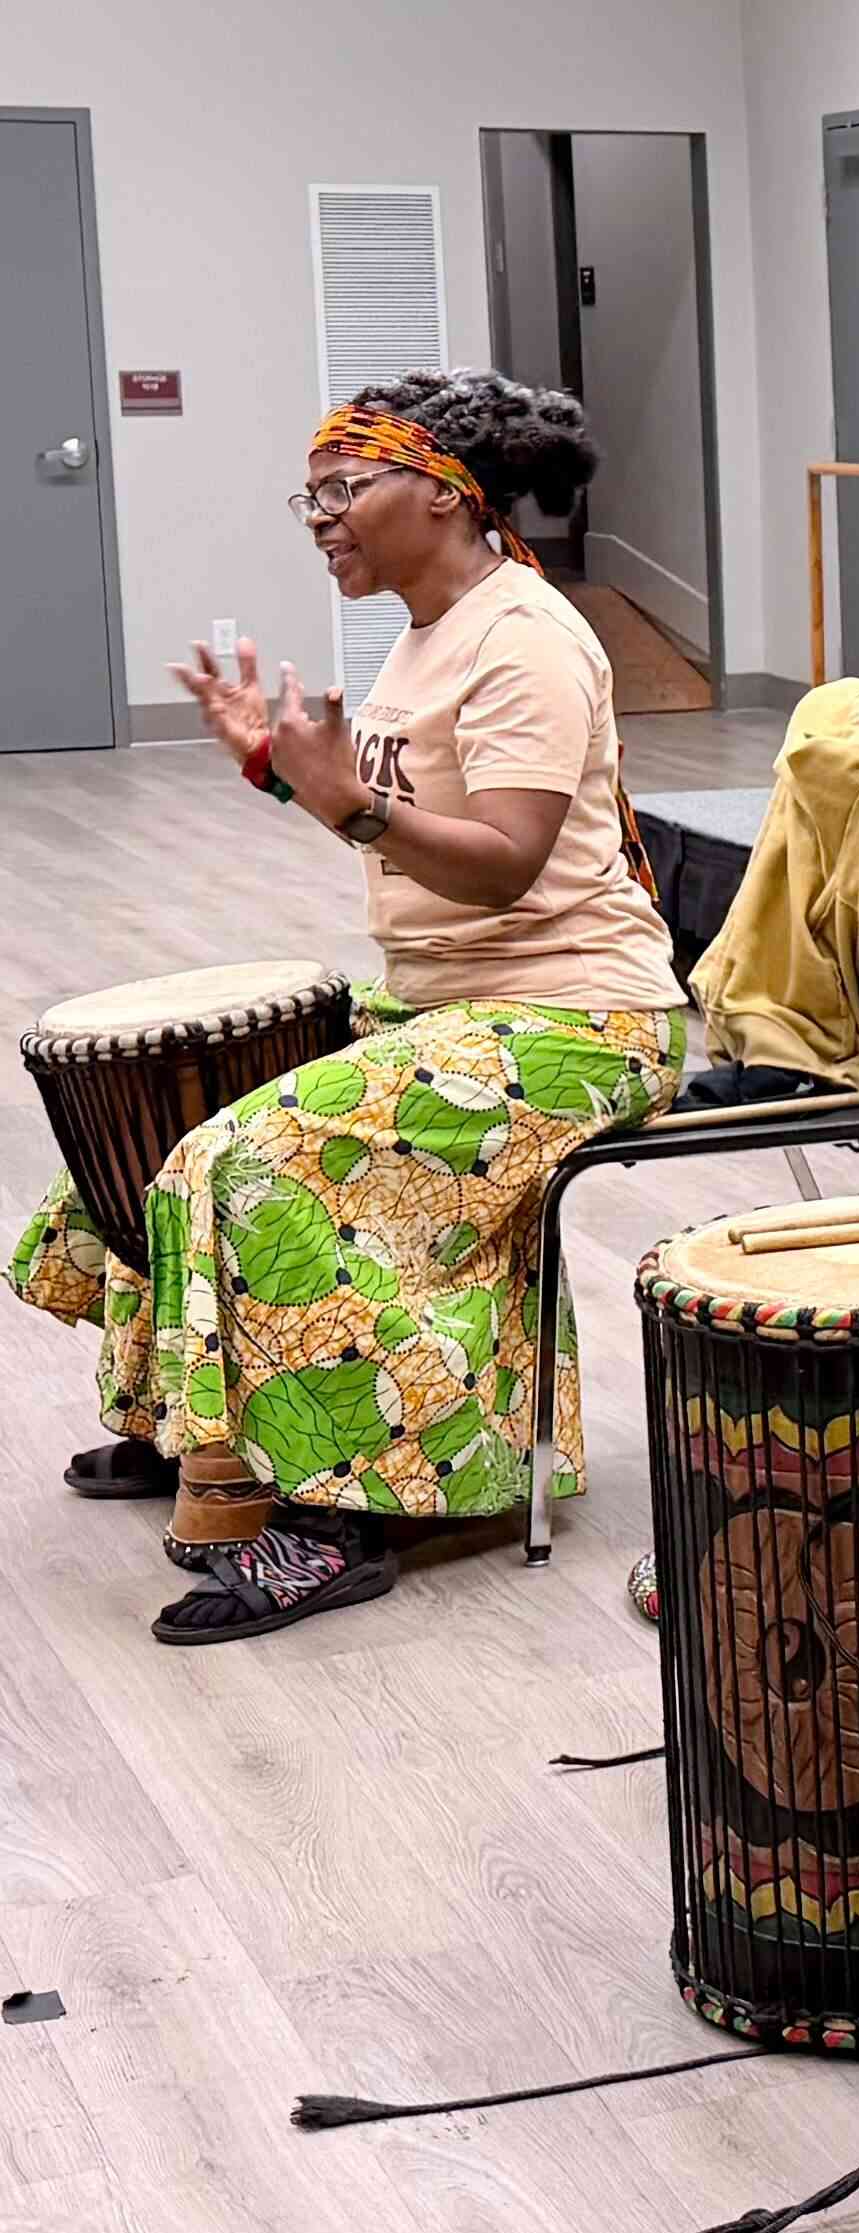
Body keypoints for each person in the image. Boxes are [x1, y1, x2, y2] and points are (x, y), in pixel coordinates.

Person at [9, 369, 687, 1644]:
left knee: (258, 1164)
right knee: (171, 1136)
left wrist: (339, 800)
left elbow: (504, 859)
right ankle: (211, 1436)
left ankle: (335, 1520)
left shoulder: (524, 638)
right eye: (308, 492)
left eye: (344, 486)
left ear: (442, 492)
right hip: (448, 1007)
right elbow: (407, 830)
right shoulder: (430, 630)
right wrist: (285, 772)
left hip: (576, 1023)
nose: (319, 514)